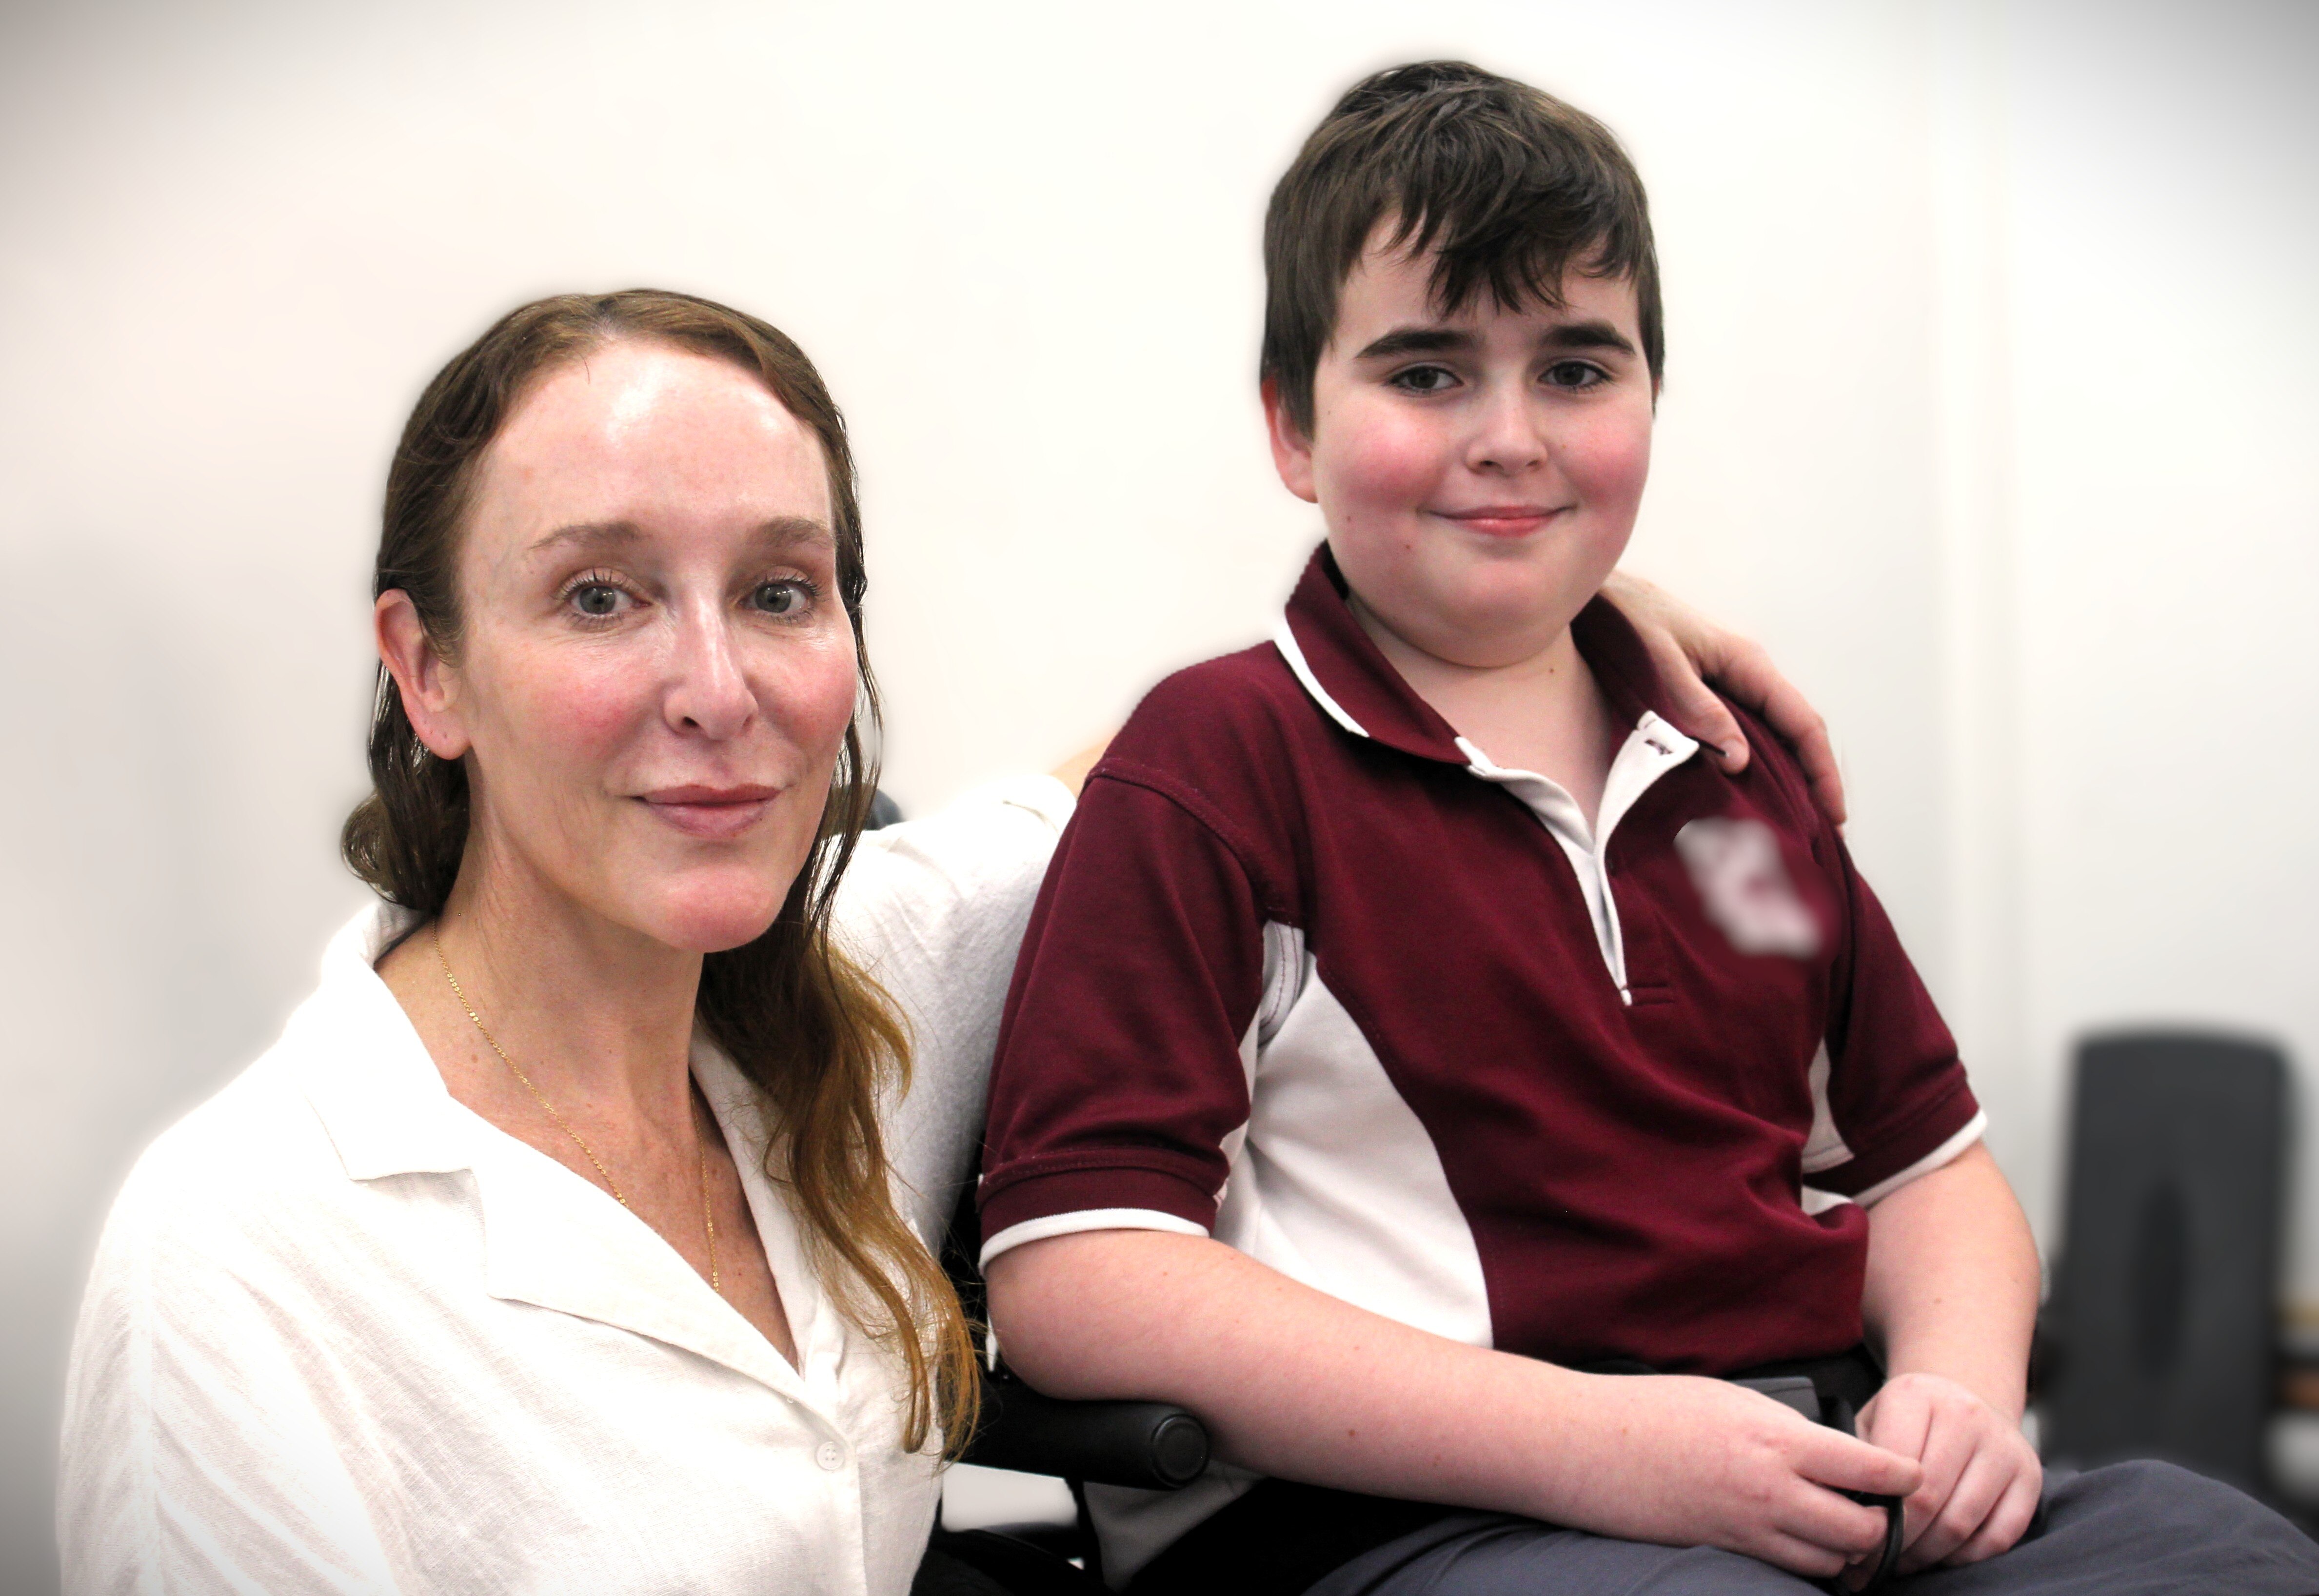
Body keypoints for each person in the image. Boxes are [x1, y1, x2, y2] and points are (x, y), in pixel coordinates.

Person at [55, 286, 1836, 1595]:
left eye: (779, 592)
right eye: (601, 594)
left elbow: (1180, 770)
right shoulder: (246, 1262)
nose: (719, 689)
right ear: (429, 668)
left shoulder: (859, 998)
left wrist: (1524, 613)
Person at [977, 62, 2319, 1596]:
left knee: (2223, 1549)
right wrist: (1602, 1446)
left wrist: (1956, 1391)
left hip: (1809, 1479)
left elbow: (1926, 1171)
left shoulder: (1729, 769)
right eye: (1426, 373)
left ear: (1649, 401)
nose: (1509, 436)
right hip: (1398, 1526)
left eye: (1573, 369)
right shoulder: (1216, 765)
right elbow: (1075, 1277)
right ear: (1292, 425)